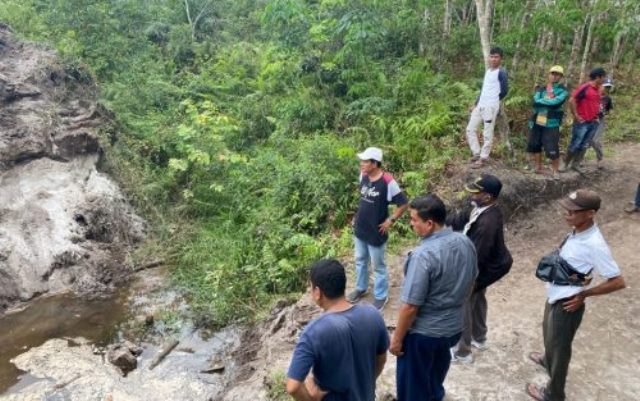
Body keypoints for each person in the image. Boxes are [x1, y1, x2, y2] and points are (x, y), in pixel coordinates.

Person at [526, 190, 626, 401]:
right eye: (566, 210)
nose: (567, 214)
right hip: (556, 293)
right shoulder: (577, 230)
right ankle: (547, 359)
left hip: (568, 303)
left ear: (590, 213)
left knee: (560, 349)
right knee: (548, 333)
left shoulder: (595, 244)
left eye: (572, 211)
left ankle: (554, 394)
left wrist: (584, 295)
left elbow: (618, 281)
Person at [390, 194, 477, 401]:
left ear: (429, 224)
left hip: (424, 334)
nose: (411, 225)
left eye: (413, 220)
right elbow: (472, 283)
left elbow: (410, 306)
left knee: (413, 383)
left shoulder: (423, 255)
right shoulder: (465, 242)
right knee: (436, 369)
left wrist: (397, 340)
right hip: (454, 328)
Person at [286, 259, 389, 401]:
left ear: (317, 292)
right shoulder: (373, 315)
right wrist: (364, 384)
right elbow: (381, 360)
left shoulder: (313, 332)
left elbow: (293, 387)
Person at [450, 174, 513, 364]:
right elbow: (461, 220)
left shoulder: (488, 223)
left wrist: (468, 281)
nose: (472, 195)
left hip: (484, 267)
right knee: (477, 299)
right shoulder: (482, 208)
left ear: (488, 197)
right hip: (487, 265)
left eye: (476, 193)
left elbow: (477, 256)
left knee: (463, 305)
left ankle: (463, 352)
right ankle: (479, 337)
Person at [348, 147, 408, 310]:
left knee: (378, 265)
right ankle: (361, 288)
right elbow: (364, 199)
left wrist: (391, 220)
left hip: (377, 231)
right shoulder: (364, 176)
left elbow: (403, 203)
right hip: (361, 228)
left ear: (374, 163)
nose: (361, 164)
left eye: (365, 161)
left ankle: (381, 295)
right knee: (360, 260)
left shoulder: (388, 182)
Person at [466, 46, 509, 169]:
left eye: (496, 57)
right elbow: (483, 90)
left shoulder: (501, 72)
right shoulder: (488, 71)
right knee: (470, 129)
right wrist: (476, 103)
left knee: (487, 132)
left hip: (490, 106)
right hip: (480, 105)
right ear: (489, 57)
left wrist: (495, 99)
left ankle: (483, 158)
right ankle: (476, 153)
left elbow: (505, 90)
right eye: (492, 56)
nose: (494, 59)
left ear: (501, 59)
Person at [561, 67, 606, 172]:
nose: (604, 79)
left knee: (585, 144)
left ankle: (576, 164)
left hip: (593, 122)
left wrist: (596, 117)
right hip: (582, 122)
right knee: (576, 142)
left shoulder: (599, 90)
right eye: (603, 77)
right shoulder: (585, 87)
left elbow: (596, 104)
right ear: (597, 77)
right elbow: (572, 100)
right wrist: (576, 115)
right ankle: (565, 164)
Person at [527, 66, 569, 179]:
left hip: (552, 122)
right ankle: (538, 167)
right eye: (553, 73)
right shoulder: (542, 88)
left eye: (557, 74)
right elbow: (534, 101)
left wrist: (542, 102)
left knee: (551, 146)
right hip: (539, 119)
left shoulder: (563, 90)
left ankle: (555, 171)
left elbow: (556, 102)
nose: (554, 76)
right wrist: (546, 101)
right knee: (535, 144)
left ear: (561, 77)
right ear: (549, 74)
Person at [588, 77, 614, 169]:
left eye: (609, 87)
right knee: (587, 141)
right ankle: (578, 161)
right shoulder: (593, 94)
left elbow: (608, 110)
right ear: (600, 85)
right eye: (605, 86)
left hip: (600, 121)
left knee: (595, 141)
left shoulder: (608, 98)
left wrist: (604, 114)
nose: (607, 89)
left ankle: (600, 159)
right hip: (590, 120)